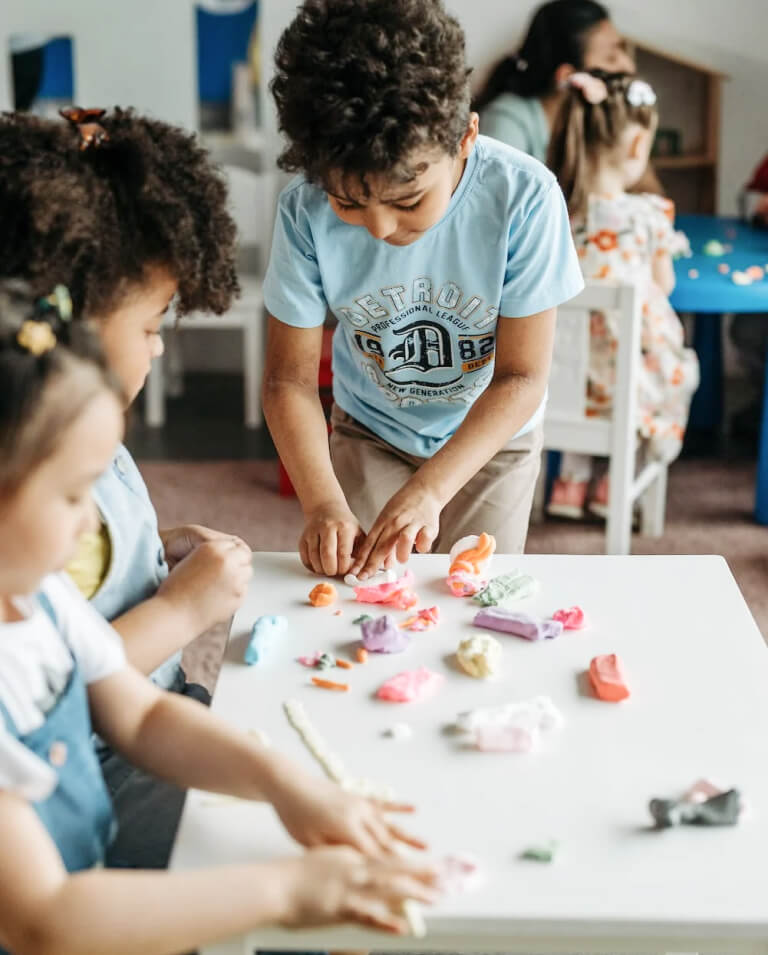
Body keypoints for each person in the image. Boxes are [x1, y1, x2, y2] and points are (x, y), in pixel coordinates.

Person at [0, 281, 438, 955]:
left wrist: (284, 784)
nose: (93, 522)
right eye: (72, 494)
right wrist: (287, 892)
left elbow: (143, 715)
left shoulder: (38, 597)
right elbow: (46, 920)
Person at [0, 107, 254, 868]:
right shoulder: (35, 477)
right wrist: (183, 610)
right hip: (100, 759)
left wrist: (156, 545)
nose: (159, 345)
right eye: (151, 325)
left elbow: (89, 566)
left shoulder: (78, 438)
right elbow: (69, 679)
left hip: (157, 707)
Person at [262, 0, 584, 580]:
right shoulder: (303, 210)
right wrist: (323, 503)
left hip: (492, 441)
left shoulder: (525, 197)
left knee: (471, 594)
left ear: (465, 138)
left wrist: (431, 489)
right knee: (361, 592)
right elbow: (289, 381)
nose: (380, 229)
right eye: (348, 202)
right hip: (369, 430)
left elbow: (521, 377)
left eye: (408, 201)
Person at [545, 71, 699, 519]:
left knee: (581, 369)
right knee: (666, 370)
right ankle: (615, 484)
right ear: (637, 146)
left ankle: (570, 482)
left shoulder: (553, 213)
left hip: (559, 379)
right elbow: (664, 285)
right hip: (627, 381)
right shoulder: (649, 215)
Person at [474, 0, 633, 162]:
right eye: (611, 58)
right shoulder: (508, 122)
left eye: (624, 50)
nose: (629, 66)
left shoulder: (594, 127)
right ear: (567, 76)